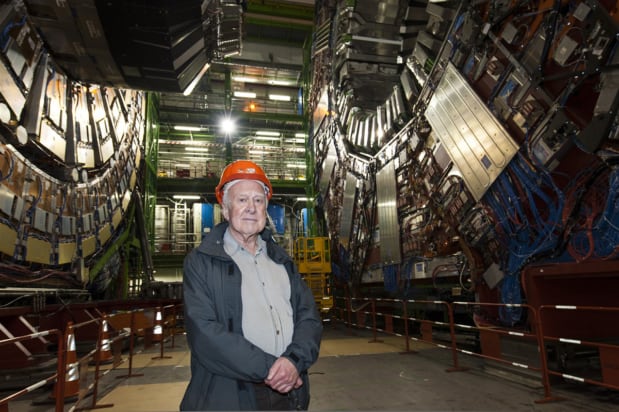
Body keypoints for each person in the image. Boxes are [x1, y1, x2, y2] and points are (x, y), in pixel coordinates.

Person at [180, 160, 323, 411]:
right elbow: (205, 334)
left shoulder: (283, 262)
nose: (251, 208)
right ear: (225, 210)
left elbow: (308, 318)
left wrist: (293, 362)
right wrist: (272, 369)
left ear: (266, 208)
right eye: (242, 200)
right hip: (229, 396)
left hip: (288, 395)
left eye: (258, 200)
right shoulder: (201, 262)